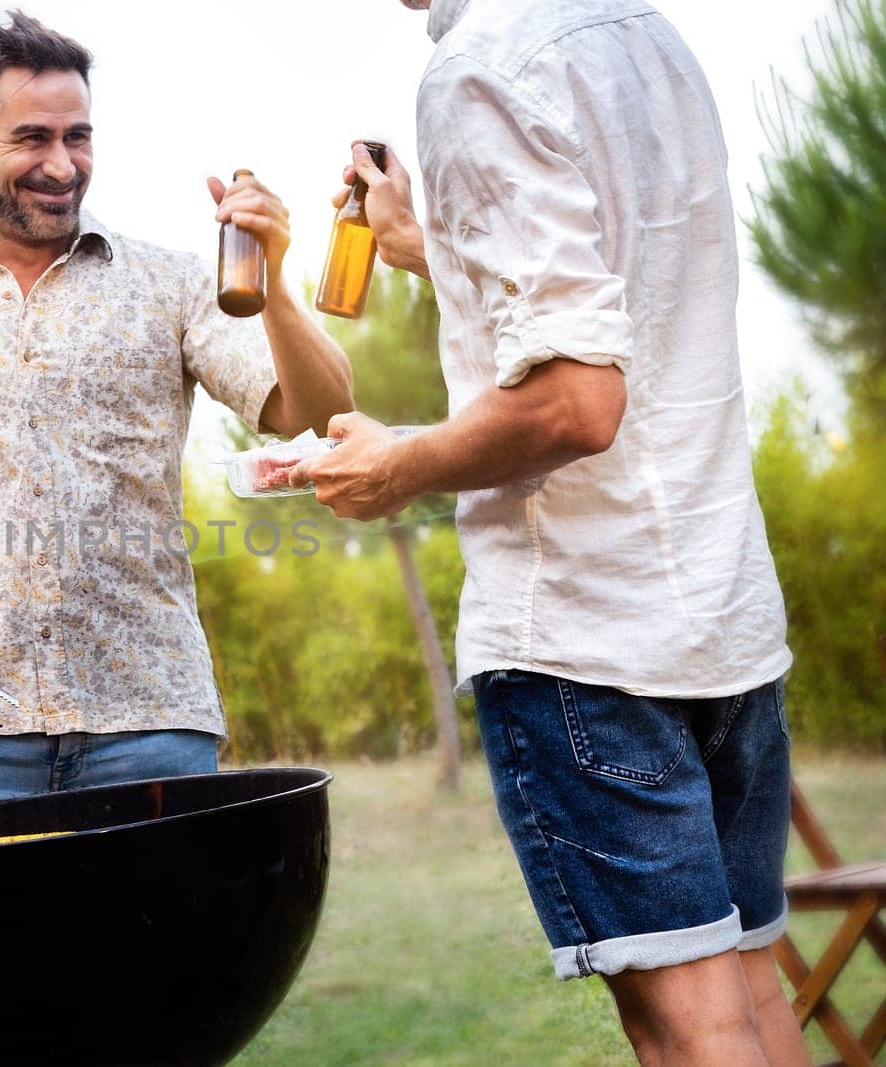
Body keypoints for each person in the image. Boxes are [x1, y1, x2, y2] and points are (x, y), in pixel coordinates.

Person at [292, 1, 805, 1063]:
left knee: (694, 1035)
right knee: (755, 1001)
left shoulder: (476, 69)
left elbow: (576, 402)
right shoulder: (643, 33)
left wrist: (396, 463)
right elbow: (624, 304)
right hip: (723, 619)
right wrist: (421, 247)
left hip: (587, 638)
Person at [0, 11, 352, 818]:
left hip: (151, 726)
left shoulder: (173, 286)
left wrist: (272, 272)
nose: (62, 165)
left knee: (163, 949)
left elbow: (321, 408)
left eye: (79, 137)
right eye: (32, 138)